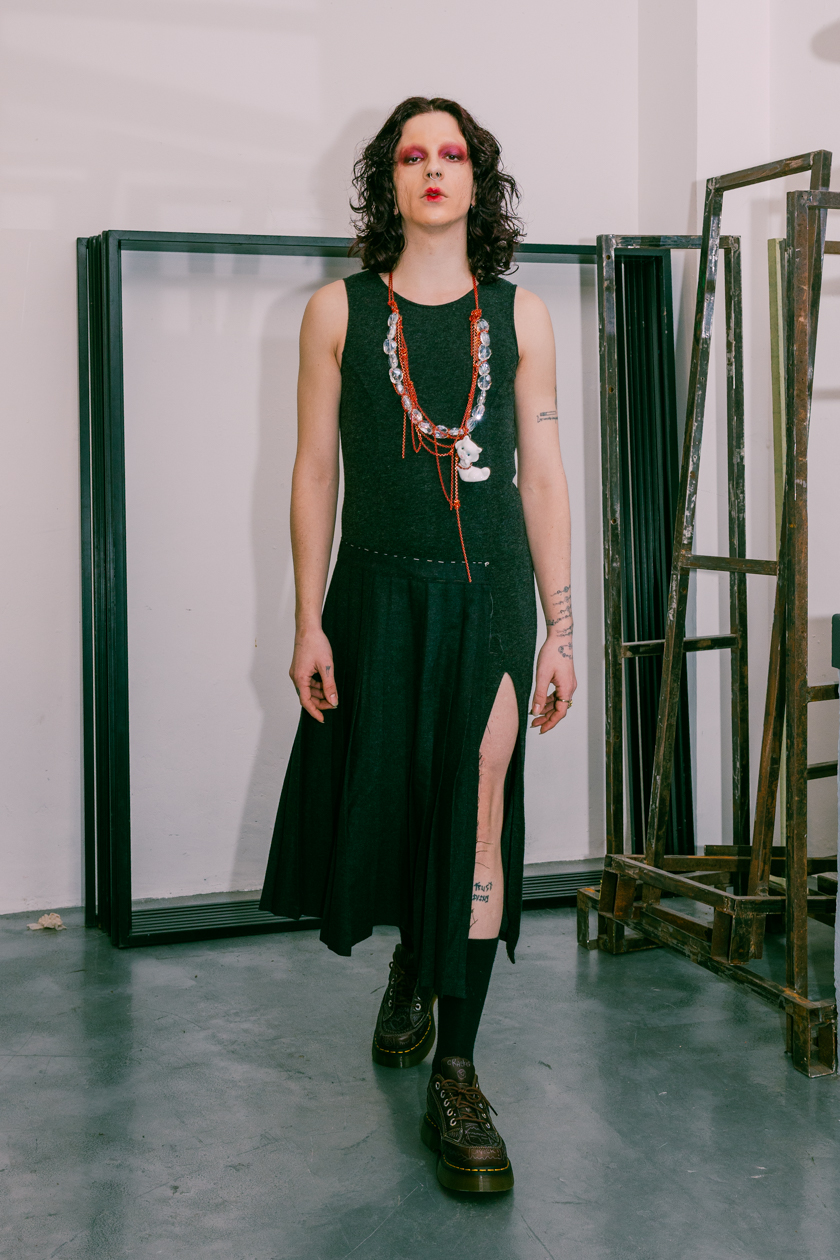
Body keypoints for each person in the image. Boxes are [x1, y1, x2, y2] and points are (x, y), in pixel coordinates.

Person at [260, 96, 575, 1194]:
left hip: (490, 605)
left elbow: (542, 475)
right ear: (387, 182)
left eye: (452, 154)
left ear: (477, 180)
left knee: (477, 808)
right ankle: (410, 959)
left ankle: (458, 1069)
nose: (433, 169)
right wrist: (306, 618)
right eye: (411, 155)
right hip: (377, 597)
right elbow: (314, 470)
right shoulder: (337, 312)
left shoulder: (521, 316)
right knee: (394, 801)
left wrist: (561, 625)